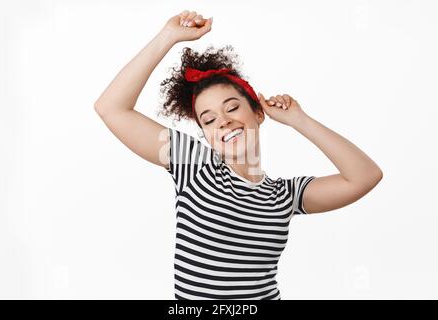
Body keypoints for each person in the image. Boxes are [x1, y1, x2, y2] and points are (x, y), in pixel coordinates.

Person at [94, 10, 383, 300]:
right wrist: (168, 37)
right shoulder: (195, 165)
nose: (223, 121)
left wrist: (299, 120)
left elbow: (365, 176)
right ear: (205, 135)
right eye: (208, 120)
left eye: (232, 108)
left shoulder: (284, 195)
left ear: (258, 113)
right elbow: (111, 108)